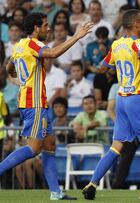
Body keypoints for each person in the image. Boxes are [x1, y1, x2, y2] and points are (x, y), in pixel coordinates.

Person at [3, 12, 93, 200]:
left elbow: (8, 67)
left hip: (37, 103)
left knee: (50, 145)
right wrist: (76, 36)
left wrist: (15, 78)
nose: (48, 28)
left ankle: (55, 192)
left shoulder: (19, 46)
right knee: (34, 148)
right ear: (36, 29)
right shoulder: (35, 44)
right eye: (45, 25)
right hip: (33, 103)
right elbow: (52, 53)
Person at [82, 9, 140, 200]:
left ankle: (92, 183)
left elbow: (102, 67)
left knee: (116, 147)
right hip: (139, 97)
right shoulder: (138, 42)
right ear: (135, 24)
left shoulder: (117, 44)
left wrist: (117, 69)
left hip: (122, 98)